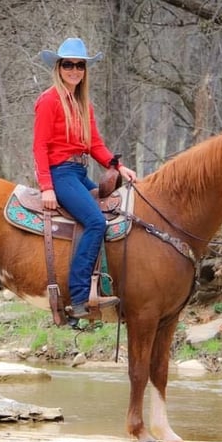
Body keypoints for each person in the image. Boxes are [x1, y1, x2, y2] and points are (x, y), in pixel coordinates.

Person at [33, 37, 138, 319]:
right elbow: (40, 147)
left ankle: (105, 284)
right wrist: (46, 187)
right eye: (68, 64)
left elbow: (95, 146)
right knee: (94, 221)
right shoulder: (48, 101)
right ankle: (79, 297)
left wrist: (120, 167)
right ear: (58, 67)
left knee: (117, 210)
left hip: (79, 173)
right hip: (60, 174)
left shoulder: (83, 104)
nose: (74, 70)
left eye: (80, 65)